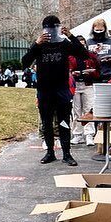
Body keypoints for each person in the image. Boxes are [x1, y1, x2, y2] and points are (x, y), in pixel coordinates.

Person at [22, 15, 88, 166]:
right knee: (47, 123)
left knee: (64, 122)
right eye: (49, 29)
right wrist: (35, 44)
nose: (51, 32)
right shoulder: (40, 45)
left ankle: (67, 153)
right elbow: (24, 62)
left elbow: (83, 54)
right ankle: (50, 152)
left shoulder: (64, 43)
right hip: (45, 90)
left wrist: (71, 36)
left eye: (54, 28)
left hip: (62, 89)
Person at [68, 35, 101, 145]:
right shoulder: (70, 56)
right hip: (75, 85)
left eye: (83, 44)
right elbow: (67, 71)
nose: (81, 46)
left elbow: (98, 70)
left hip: (88, 84)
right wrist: (72, 73)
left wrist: (91, 72)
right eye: (79, 44)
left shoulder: (90, 56)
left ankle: (89, 134)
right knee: (76, 111)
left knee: (88, 110)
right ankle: (78, 134)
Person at [86, 19, 111, 84]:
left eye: (101, 30)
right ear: (93, 30)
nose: (99, 32)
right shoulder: (89, 42)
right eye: (97, 30)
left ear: (105, 29)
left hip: (109, 74)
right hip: (93, 74)